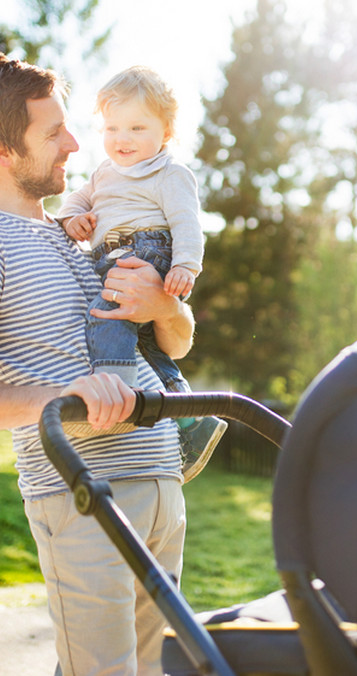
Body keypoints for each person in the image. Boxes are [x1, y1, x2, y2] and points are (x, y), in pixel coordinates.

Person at [0, 53, 192, 676]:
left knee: (159, 671)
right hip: (81, 493)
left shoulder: (82, 233)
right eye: (52, 133)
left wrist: (163, 306)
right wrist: (60, 397)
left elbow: (176, 342)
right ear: (0, 150)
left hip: (160, 483)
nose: (75, 143)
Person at [56, 66, 224, 482]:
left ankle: (117, 392)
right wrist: (73, 218)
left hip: (144, 254)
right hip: (110, 257)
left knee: (106, 314)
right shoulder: (103, 173)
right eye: (112, 128)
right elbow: (75, 201)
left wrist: (186, 265)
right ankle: (192, 421)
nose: (122, 139)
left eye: (136, 127)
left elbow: (187, 223)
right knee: (148, 342)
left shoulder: (170, 173)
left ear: (165, 132)